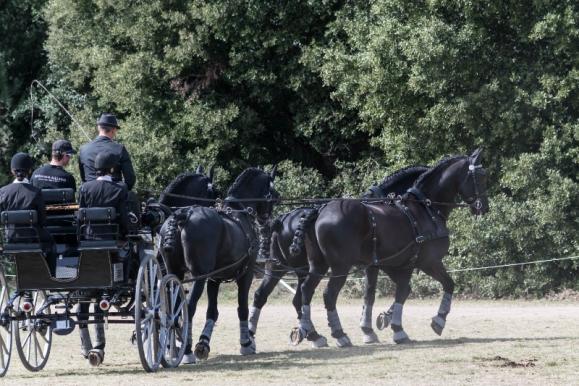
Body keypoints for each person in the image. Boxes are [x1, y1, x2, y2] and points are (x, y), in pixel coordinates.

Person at [77, 150, 129, 366]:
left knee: (85, 298)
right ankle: (98, 346)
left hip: (88, 247)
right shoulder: (120, 188)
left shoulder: (85, 188)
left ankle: (86, 346)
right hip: (112, 250)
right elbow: (125, 220)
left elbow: (80, 216)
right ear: (112, 169)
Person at [0, 153, 53, 256]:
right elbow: (42, 221)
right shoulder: (36, 192)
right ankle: (51, 271)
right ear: (29, 171)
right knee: (51, 243)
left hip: (10, 238)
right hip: (33, 238)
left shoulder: (2, 192)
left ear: (12, 171)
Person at [78, 113, 136, 190]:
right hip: (114, 195)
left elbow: (84, 178)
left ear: (99, 128)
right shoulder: (119, 149)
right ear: (114, 130)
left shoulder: (83, 149)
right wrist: (122, 193)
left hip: (91, 195)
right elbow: (130, 178)